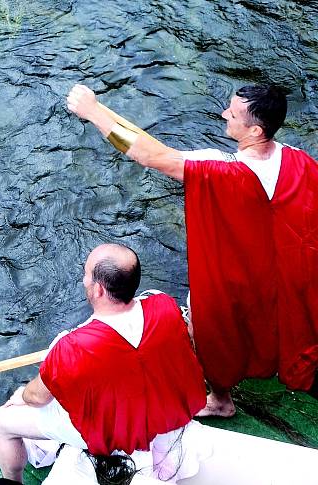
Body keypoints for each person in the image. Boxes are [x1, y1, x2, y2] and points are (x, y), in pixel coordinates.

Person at [66, 84, 318, 417]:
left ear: (255, 130)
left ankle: (221, 400)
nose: (224, 114)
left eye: (233, 113)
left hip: (237, 273)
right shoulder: (300, 162)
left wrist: (93, 112)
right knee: (285, 315)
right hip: (287, 269)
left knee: (209, 324)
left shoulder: (221, 168)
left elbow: (149, 155)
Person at [0, 244, 206, 485]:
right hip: (159, 408)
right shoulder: (164, 304)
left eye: (86, 274)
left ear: (98, 289)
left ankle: (11, 482)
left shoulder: (71, 347)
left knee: (1, 421)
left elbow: (37, 398)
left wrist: (20, 396)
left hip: (106, 431)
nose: (84, 279)